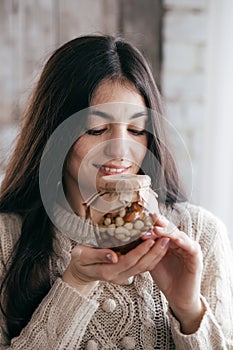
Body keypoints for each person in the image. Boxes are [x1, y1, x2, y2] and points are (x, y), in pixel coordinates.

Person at [0, 35, 233, 350]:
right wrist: (76, 285)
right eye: (96, 129)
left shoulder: (200, 234)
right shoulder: (6, 238)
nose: (121, 150)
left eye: (137, 130)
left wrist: (188, 307)